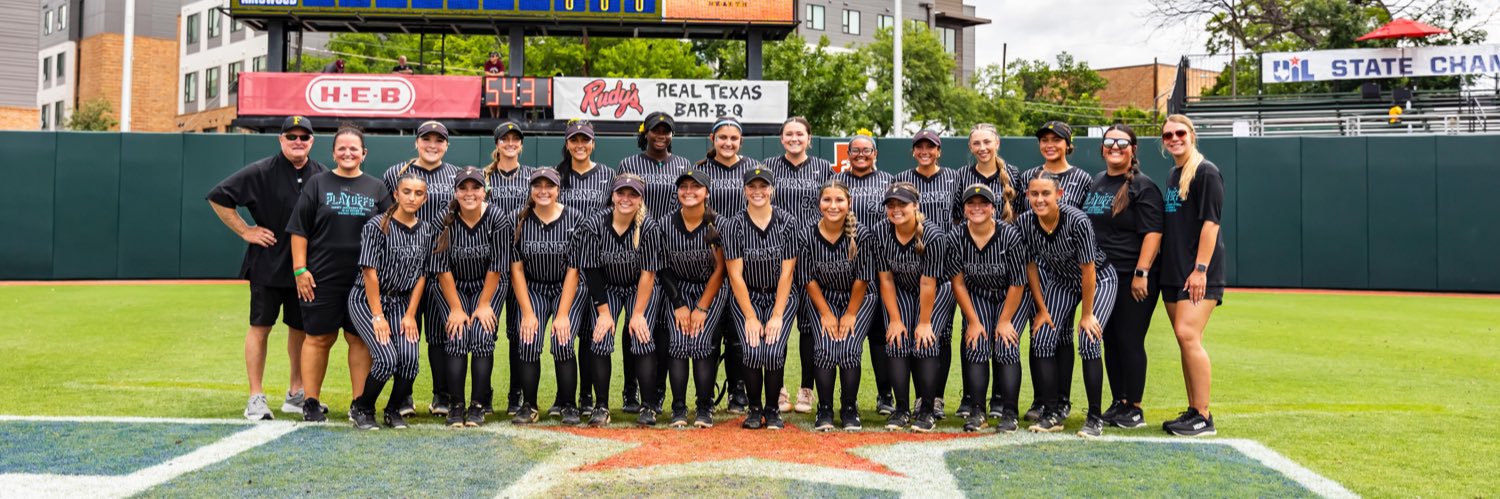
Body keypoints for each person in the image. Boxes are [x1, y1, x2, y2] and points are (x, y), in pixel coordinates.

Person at [207, 115, 327, 421]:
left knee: (300, 330)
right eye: (292, 137)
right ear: (281, 140)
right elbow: (219, 197)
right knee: (261, 328)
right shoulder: (262, 171)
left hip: (305, 269)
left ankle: (296, 394)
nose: (298, 142)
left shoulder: (322, 175)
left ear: (312, 141)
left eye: (304, 137)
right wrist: (246, 230)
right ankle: (256, 397)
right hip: (268, 265)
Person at [286, 124, 390, 423]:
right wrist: (300, 269)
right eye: (341, 148)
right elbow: (299, 230)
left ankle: (359, 404)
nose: (347, 153)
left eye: (353, 148)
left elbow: (388, 232)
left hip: (363, 279)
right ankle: (311, 402)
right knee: (319, 338)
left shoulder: (376, 188)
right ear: (333, 153)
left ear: (363, 154)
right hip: (321, 277)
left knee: (358, 339)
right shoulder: (317, 184)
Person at [1015, 172, 1118, 438]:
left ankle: (1094, 417)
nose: (1039, 199)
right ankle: (1052, 412)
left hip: (1098, 279)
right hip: (1061, 280)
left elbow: (1089, 269)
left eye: (1046, 193)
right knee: (1043, 337)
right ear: (1027, 196)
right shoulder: (1025, 222)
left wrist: (1086, 315)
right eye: (1034, 194)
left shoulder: (1076, 220)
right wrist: (1042, 309)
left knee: (1088, 338)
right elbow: (1031, 267)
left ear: (1059, 195)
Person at [1081, 124, 1163, 430]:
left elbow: (1153, 233)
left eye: (1122, 142)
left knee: (1129, 339)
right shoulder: (1098, 182)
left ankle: (1135, 407)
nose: (1115, 147)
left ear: (1133, 149)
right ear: (1102, 148)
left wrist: (1142, 272)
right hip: (1103, 278)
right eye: (1109, 142)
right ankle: (1119, 402)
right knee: (1110, 340)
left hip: (1132, 276)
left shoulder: (1144, 186)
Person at [616, 111, 694, 414]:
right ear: (645, 133)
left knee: (662, 326)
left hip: (672, 249)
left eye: (666, 130)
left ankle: (658, 390)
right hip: (639, 247)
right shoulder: (629, 164)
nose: (661, 135)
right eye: (655, 130)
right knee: (636, 323)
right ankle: (630, 390)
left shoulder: (682, 165)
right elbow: (620, 201)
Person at [347, 174, 435, 430]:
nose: (412, 197)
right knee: (386, 358)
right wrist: (377, 316)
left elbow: (422, 275)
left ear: (424, 198)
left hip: (401, 303)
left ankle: (393, 409)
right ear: (396, 194)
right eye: (406, 191)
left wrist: (410, 314)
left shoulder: (426, 230)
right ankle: (361, 408)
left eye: (418, 193)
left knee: (409, 359)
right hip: (367, 300)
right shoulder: (377, 225)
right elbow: (369, 272)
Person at [384, 121, 460, 419]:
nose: (432, 144)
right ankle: (403, 396)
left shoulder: (456, 175)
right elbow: (384, 217)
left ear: (446, 145)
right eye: (426, 139)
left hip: (442, 265)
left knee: (441, 335)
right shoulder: (395, 173)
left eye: (438, 140)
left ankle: (442, 395)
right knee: (406, 331)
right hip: (405, 267)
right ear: (416, 142)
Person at [1020, 121, 1094, 424]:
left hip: (1073, 265)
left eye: (1057, 140)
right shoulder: (1029, 176)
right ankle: (1043, 399)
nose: (1050, 144)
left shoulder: (1082, 178)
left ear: (1068, 144)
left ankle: (1062, 400)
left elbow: (1088, 223)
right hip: (1043, 268)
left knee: (1065, 336)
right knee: (1043, 331)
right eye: (1045, 140)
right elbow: (1022, 219)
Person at [949, 123, 1023, 421]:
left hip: (1009, 281)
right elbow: (957, 281)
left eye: (987, 142)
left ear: (997, 143)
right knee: (976, 339)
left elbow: (1019, 282)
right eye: (976, 143)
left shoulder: (1013, 176)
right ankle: (975, 407)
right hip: (977, 283)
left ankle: (1008, 409)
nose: (982, 147)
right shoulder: (962, 179)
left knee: (1005, 342)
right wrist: (973, 321)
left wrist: (1004, 321)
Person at [575, 173, 662, 427]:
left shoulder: (648, 226)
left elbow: (648, 273)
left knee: (641, 336)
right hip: (607, 287)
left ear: (640, 198)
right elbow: (591, 270)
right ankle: (601, 406)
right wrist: (603, 312)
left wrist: (637, 314)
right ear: (612, 195)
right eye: (621, 193)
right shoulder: (595, 224)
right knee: (600, 337)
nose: (626, 198)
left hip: (639, 288)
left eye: (632, 194)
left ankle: (648, 406)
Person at [1158, 114, 1225, 437]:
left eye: (1179, 133)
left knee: (1188, 335)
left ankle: (1203, 415)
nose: (1174, 138)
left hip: (1197, 272)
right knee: (1184, 341)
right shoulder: (1173, 174)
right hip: (1173, 271)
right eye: (1168, 135)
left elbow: (1211, 224)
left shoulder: (1206, 172)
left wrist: (1200, 270)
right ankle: (1193, 409)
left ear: (1192, 135)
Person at [430, 167, 512, 428]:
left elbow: (497, 265)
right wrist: (455, 307)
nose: (469, 193)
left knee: (482, 335)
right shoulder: (444, 219)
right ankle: (456, 405)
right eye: (463, 188)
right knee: (457, 334)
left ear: (484, 191)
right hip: (452, 285)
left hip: (488, 285)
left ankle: (478, 404)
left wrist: (484, 304)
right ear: (455, 192)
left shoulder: (497, 217)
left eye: (475, 187)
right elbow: (441, 269)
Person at [721, 167, 801, 430]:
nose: (758, 192)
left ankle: (772, 409)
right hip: (748, 295)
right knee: (753, 349)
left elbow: (787, 273)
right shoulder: (734, 224)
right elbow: (735, 276)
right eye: (752, 187)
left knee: (775, 350)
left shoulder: (788, 222)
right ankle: (755, 409)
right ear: (744, 190)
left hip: (781, 295)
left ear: (772, 189)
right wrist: (751, 317)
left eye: (763, 186)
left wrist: (777, 315)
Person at [647, 169, 728, 428]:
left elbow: (721, 269)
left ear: (707, 192)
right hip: (677, 289)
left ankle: (704, 406)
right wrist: (680, 304)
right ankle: (678, 407)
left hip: (710, 289)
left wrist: (702, 307)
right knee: (679, 342)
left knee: (702, 341)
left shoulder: (718, 224)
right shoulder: (665, 223)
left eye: (696, 186)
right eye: (684, 186)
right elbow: (663, 266)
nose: (689, 191)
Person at [763, 116, 833, 414]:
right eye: (789, 134)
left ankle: (806, 389)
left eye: (800, 133)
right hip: (774, 253)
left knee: (808, 326)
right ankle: (777, 388)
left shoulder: (822, 168)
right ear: (781, 138)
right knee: (775, 321)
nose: (794, 138)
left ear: (809, 137)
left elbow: (832, 205)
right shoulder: (768, 167)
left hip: (811, 252)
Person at [508, 169, 589, 425]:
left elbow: (574, 269)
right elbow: (516, 269)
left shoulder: (575, 218)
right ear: (530, 189)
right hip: (534, 287)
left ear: (558, 189)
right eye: (538, 185)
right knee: (528, 341)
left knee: (563, 342)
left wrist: (563, 314)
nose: (543, 190)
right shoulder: (518, 219)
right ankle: (529, 405)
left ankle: (568, 404)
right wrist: (528, 313)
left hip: (568, 286)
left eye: (549, 186)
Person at [872, 182, 952, 432]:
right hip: (900, 289)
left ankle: (926, 409)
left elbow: (929, 282)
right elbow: (885, 278)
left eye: (902, 204)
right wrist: (895, 320)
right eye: (891, 205)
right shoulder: (881, 231)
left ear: (916, 205)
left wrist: (924, 322)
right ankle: (902, 409)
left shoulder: (933, 235)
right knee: (896, 341)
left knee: (924, 343)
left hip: (935, 291)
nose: (896, 209)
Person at [798, 181, 877, 431]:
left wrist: (850, 314)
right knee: (824, 347)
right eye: (827, 200)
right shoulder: (807, 234)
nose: (833, 206)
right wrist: (827, 314)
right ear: (819, 203)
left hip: (858, 297)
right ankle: (825, 408)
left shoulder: (861, 234)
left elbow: (862, 279)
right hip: (823, 297)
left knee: (850, 347)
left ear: (849, 203)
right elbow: (808, 279)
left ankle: (849, 408)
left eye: (839, 200)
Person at [891, 129, 958, 419]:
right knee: (904, 338)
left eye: (930, 146)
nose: (925, 151)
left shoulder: (953, 178)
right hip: (907, 265)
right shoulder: (903, 178)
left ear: (939, 150)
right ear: (914, 150)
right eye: (920, 146)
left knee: (938, 336)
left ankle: (933, 399)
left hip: (940, 266)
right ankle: (913, 402)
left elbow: (963, 214)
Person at [696, 116, 762, 414]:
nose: (728, 143)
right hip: (708, 257)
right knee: (712, 328)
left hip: (743, 255)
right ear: (713, 139)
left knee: (737, 332)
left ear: (741, 141)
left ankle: (738, 390)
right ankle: (706, 393)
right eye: (722, 137)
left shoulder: (752, 169)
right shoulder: (699, 170)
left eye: (734, 138)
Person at [553, 119, 616, 418]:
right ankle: (565, 397)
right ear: (567, 143)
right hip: (567, 264)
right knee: (566, 334)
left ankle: (589, 397)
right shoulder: (556, 175)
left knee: (594, 334)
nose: (580, 144)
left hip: (600, 264)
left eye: (585, 139)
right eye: (574, 139)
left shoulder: (607, 174)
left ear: (593, 143)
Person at [830, 132, 895, 416]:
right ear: (848, 154)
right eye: (854, 150)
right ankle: (847, 398)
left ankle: (885, 394)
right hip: (845, 267)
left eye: (866, 150)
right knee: (848, 334)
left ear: (875, 154)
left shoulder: (887, 181)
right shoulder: (837, 183)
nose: (860, 154)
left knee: (880, 336)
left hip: (880, 262)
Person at [484, 120, 533, 415]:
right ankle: (484, 393)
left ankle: (516, 394)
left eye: (516, 139)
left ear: (521, 144)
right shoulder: (484, 177)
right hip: (490, 264)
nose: (511, 143)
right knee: (486, 331)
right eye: (505, 139)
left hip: (522, 262)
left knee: (517, 332)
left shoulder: (532, 177)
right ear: (497, 144)